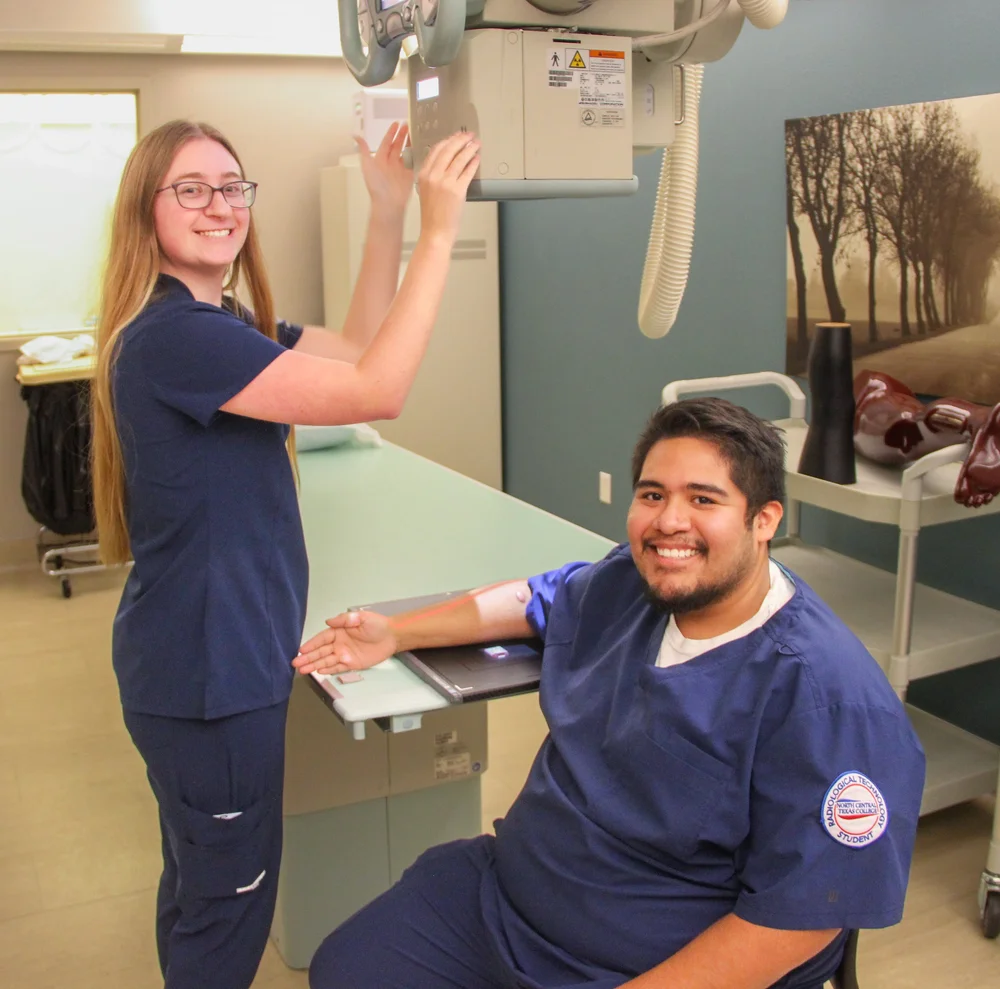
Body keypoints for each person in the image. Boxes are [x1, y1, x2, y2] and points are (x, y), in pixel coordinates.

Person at [297, 397, 927, 989]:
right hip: (507, 898)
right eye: (653, 494)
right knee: (345, 970)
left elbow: (801, 919)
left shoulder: (829, 701)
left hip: (636, 961)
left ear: (764, 520)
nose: (669, 521)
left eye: (703, 499)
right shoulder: (636, 581)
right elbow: (534, 598)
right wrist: (397, 633)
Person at [90, 117, 480, 989]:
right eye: (191, 188)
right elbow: (379, 390)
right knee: (228, 910)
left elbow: (354, 348)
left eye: (233, 186)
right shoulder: (176, 339)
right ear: (144, 210)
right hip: (206, 677)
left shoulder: (216, 320)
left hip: (205, 661)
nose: (220, 205)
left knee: (201, 887)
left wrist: (386, 215)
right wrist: (440, 227)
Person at [853, 369, 1000, 508]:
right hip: (874, 393)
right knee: (905, 427)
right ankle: (975, 420)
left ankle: (976, 419)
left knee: (902, 431)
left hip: (864, 393)